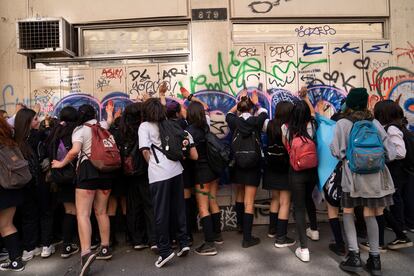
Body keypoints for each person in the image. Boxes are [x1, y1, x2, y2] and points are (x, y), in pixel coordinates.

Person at [330, 88, 396, 275]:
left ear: (348, 104)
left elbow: (336, 152)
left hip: (352, 178)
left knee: (349, 211)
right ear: (367, 103)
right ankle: (375, 260)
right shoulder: (374, 122)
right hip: (375, 179)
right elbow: (391, 153)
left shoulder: (342, 123)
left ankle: (354, 255)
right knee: (370, 214)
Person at [51, 103, 115, 276]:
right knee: (102, 212)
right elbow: (109, 120)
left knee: (83, 214)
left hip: (88, 173)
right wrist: (109, 112)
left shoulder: (80, 129)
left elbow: (74, 151)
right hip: (106, 172)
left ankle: (86, 252)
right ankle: (105, 248)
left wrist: (60, 163)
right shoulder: (102, 125)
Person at [139, 96, 198, 268]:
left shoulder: (144, 126)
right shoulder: (167, 123)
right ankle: (184, 242)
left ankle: (164, 251)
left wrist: (153, 164)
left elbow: (144, 151)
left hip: (160, 175)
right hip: (177, 170)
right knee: (178, 208)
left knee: (160, 213)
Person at [226, 90, 268, 248]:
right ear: (251, 110)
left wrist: (239, 102)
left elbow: (228, 114)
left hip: (237, 163)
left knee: (239, 195)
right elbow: (264, 111)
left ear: (239, 108)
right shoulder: (257, 121)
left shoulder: (234, 121)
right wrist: (256, 102)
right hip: (252, 164)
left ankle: (240, 226)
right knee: (249, 202)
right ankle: (247, 238)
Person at [281, 89, 318, 262]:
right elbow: (312, 112)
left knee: (299, 207)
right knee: (309, 198)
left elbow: (287, 149)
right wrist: (305, 98)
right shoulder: (313, 125)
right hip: (312, 170)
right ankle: (315, 230)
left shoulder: (285, 129)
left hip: (295, 172)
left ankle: (304, 249)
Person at [371, 100, 413, 250]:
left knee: (395, 199)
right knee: (396, 199)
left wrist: (385, 156)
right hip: (401, 170)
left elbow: (400, 152)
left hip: (397, 170)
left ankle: (400, 231)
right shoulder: (397, 126)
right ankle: (401, 229)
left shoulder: (392, 129)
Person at [14, 108, 55, 261]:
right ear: (27, 122)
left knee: (28, 215)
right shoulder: (39, 136)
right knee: (45, 212)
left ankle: (29, 248)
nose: (38, 121)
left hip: (23, 183)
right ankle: (46, 245)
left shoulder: (14, 140)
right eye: (35, 119)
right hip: (40, 180)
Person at [116, 102, 156, 251]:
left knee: (133, 207)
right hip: (145, 171)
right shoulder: (144, 128)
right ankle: (153, 239)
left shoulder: (121, 130)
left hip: (128, 173)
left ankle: (137, 240)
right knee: (149, 205)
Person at [185, 100, 222, 256]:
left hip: (202, 174)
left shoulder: (189, 132)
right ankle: (217, 235)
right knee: (212, 201)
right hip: (213, 171)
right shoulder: (206, 127)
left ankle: (209, 244)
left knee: (202, 207)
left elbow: (190, 154)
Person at [46, 106, 80, 258]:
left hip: (60, 177)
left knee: (69, 210)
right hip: (75, 176)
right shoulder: (75, 131)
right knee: (81, 211)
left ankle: (67, 245)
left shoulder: (55, 133)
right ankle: (73, 243)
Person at [262, 101, 296, 248]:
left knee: (275, 199)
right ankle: (281, 238)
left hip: (271, 166)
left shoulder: (268, 124)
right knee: (285, 202)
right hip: (284, 167)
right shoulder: (289, 128)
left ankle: (272, 230)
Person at [0, 116, 25, 272]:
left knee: (4, 226)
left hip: (2, 190)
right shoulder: (9, 143)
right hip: (12, 188)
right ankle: (15, 260)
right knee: (7, 225)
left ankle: (15, 260)